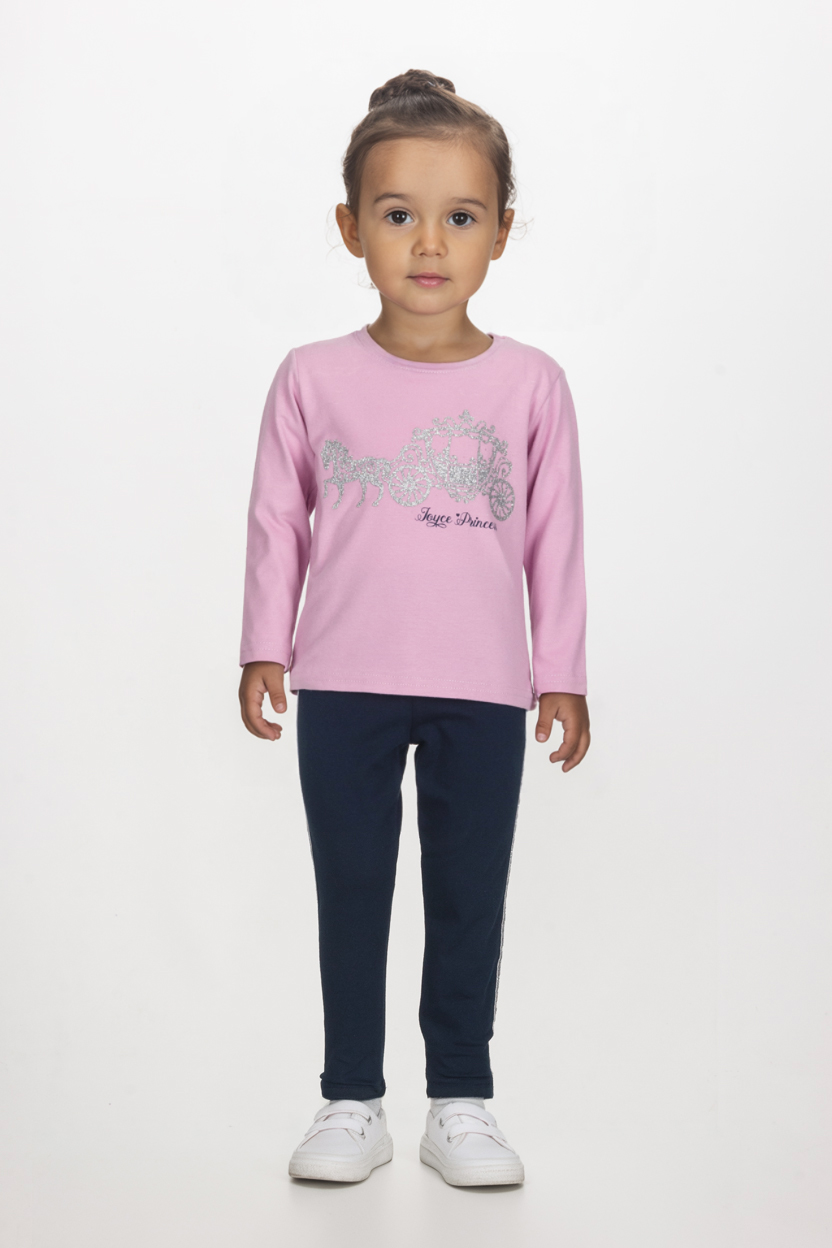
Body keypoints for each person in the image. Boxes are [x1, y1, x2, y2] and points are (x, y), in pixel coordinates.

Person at [238, 68, 590, 1188]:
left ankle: (461, 1101)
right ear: (351, 228)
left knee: (467, 896)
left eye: (461, 217)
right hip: (343, 678)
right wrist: (264, 645)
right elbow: (276, 519)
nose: (428, 244)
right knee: (351, 889)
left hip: (483, 685)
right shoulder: (311, 377)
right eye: (397, 214)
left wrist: (561, 671)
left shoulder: (532, 385)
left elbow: (556, 537)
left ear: (501, 234)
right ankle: (350, 1099)